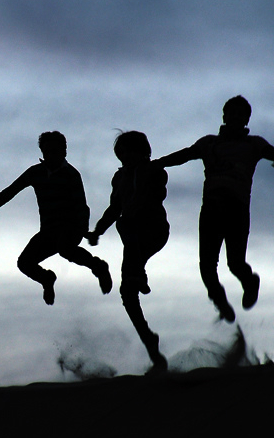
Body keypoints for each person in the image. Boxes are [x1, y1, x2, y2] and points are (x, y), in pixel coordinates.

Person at [154, 95, 274, 323]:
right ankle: (219, 300)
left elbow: (273, 152)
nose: (235, 117)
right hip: (211, 210)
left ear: (247, 119)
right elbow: (185, 155)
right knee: (207, 267)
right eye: (231, 113)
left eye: (241, 114)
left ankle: (250, 282)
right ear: (224, 116)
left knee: (235, 263)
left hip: (237, 210)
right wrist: (158, 163)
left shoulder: (254, 144)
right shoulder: (209, 144)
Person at [0, 131, 111, 305]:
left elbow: (82, 206)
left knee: (65, 248)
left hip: (70, 228)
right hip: (48, 231)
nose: (50, 156)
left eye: (55, 151)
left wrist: (84, 231)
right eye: (47, 152)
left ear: (64, 152)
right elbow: (9, 192)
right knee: (24, 263)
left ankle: (98, 267)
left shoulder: (71, 175)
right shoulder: (35, 173)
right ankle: (46, 278)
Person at [87, 131, 170, 374]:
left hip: (153, 230)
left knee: (126, 223)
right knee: (127, 292)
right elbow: (114, 208)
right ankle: (151, 346)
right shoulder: (119, 177)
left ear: (142, 151)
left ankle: (139, 274)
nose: (124, 157)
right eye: (121, 154)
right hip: (132, 235)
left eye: (128, 152)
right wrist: (97, 231)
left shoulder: (154, 170)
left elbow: (158, 193)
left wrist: (142, 185)